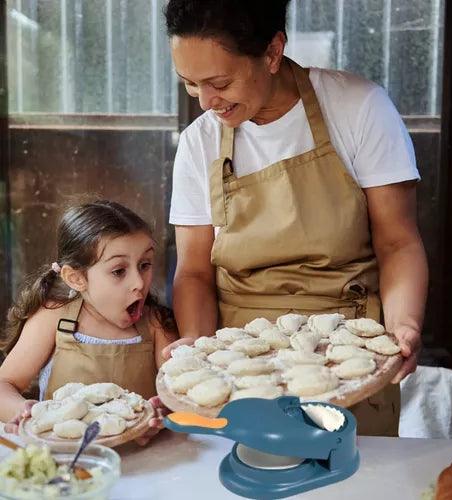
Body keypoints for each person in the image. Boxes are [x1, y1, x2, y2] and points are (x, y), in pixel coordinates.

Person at [164, 0, 428, 436]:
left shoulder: (358, 108)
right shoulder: (200, 142)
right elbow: (193, 271)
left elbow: (398, 242)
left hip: (348, 350)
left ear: (272, 52)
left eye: (219, 82)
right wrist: (197, 345)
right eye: (191, 85)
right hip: (240, 359)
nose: (207, 102)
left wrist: (404, 325)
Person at [0, 200, 178, 444]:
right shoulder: (54, 318)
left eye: (144, 265)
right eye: (119, 271)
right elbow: (4, 384)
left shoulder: (155, 325)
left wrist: (162, 413)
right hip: (68, 464)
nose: (139, 282)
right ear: (76, 278)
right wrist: (23, 412)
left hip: (145, 465)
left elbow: (179, 396)